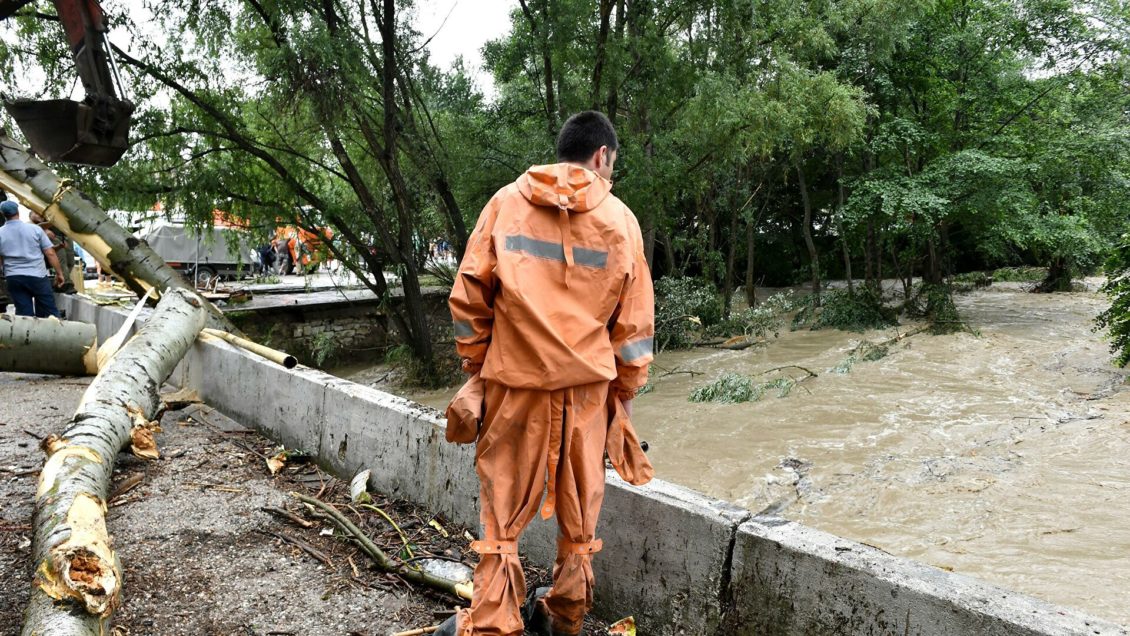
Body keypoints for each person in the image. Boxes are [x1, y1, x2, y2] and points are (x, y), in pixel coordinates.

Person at [440, 111, 655, 636]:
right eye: (612, 165)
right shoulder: (621, 221)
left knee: (502, 517)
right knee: (580, 520)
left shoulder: (505, 204)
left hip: (514, 386)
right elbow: (634, 327)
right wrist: (623, 398)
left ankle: (494, 624)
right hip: (587, 393)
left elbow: (468, 297)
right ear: (601, 155)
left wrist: (479, 367)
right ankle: (564, 616)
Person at [0, 200, 64, 317]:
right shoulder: (35, 229)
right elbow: (50, 253)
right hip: (37, 276)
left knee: (24, 316)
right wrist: (59, 273)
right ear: (18, 212)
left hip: (14, 277)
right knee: (49, 314)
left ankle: (27, 328)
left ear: (3, 214)